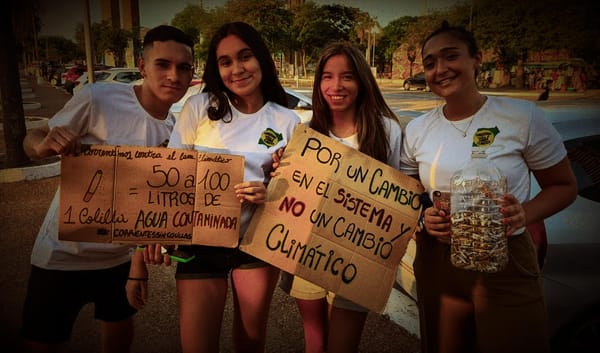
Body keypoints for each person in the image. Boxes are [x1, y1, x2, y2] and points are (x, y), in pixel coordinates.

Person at [400, 21, 577, 353]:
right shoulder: (418, 129)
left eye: (451, 56)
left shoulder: (521, 117)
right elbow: (410, 188)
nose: (440, 69)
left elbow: (564, 186)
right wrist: (423, 215)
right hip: (437, 259)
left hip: (504, 257)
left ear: (476, 58)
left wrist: (523, 214)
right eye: (429, 63)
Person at [20, 25, 194, 353]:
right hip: (62, 255)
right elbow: (34, 137)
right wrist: (43, 145)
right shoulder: (98, 98)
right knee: (41, 341)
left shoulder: (175, 128)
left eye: (184, 67)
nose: (174, 75)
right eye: (163, 64)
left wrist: (141, 262)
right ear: (142, 67)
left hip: (118, 259)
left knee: (120, 336)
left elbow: (153, 206)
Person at [128, 22, 300, 353]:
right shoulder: (199, 107)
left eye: (245, 57)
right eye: (225, 61)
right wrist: (143, 249)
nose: (237, 69)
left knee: (250, 343)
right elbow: (171, 178)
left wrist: (270, 193)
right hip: (200, 244)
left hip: (256, 245)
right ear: (216, 68)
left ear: (261, 58)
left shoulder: (287, 121)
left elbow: (294, 195)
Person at [277, 41, 402, 353]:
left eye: (347, 76)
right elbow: (287, 194)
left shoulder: (387, 130)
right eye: (327, 77)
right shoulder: (305, 134)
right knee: (315, 344)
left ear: (362, 81)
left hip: (358, 257)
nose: (336, 86)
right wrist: (281, 169)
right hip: (304, 249)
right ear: (319, 83)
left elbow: (400, 198)